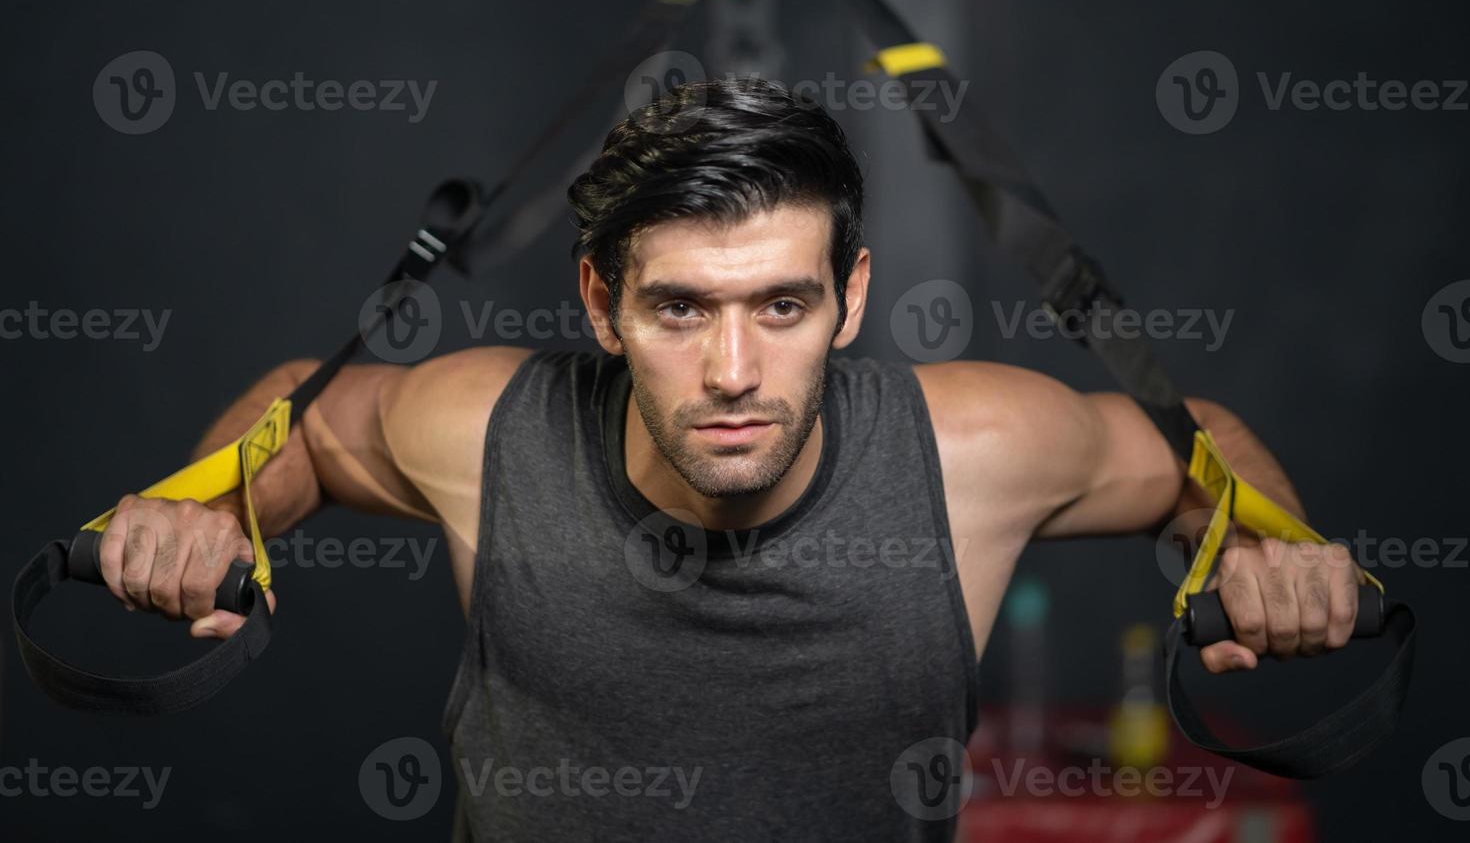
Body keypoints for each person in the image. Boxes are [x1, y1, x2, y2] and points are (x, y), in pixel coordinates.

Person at [94, 77, 1366, 841]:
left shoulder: (971, 449)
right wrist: (206, 500)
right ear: (602, 303)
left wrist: (1273, 539)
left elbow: (1201, 439)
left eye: (781, 305)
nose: (735, 372)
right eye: (681, 309)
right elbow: (303, 416)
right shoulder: (490, 426)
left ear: (851, 297)